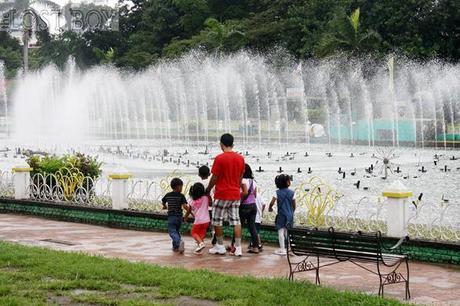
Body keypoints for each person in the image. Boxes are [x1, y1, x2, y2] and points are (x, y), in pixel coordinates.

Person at [206, 133, 245, 256]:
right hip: (235, 194)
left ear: (221, 145)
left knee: (217, 220)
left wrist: (208, 189)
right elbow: (240, 177)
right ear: (232, 144)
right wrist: (237, 188)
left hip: (222, 193)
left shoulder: (220, 158)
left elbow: (215, 177)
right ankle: (238, 248)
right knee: (236, 221)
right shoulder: (240, 158)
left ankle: (220, 246)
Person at [268, 174, 296, 256]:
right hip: (290, 214)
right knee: (288, 231)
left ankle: (282, 249)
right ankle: (289, 248)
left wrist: (270, 208)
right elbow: (294, 204)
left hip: (281, 214)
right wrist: (292, 211)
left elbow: (272, 202)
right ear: (287, 183)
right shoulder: (292, 192)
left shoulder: (277, 192)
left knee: (280, 231)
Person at [161, 178, 188, 254]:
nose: (182, 188)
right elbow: (185, 206)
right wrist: (191, 212)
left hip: (171, 217)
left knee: (172, 232)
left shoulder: (168, 195)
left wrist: (165, 206)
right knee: (176, 232)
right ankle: (176, 247)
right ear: (178, 187)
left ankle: (179, 242)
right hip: (179, 217)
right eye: (181, 186)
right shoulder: (181, 196)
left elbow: (163, 201)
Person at [184, 182, 210, 254]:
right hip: (207, 220)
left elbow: (189, 210)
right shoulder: (205, 198)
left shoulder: (192, 201)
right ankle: (200, 248)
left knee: (194, 232)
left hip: (198, 220)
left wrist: (185, 217)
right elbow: (210, 203)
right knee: (201, 233)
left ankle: (201, 244)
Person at [239, 163, 259, 254]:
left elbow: (244, 193)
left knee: (239, 226)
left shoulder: (242, 180)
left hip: (244, 205)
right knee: (252, 226)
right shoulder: (253, 181)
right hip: (253, 205)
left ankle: (234, 246)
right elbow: (255, 194)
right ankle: (255, 247)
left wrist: (238, 197)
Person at [198, 165, 216, 245]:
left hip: (203, 208)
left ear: (199, 174)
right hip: (212, 206)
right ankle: (214, 234)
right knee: (213, 224)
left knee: (202, 225)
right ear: (209, 174)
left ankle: (200, 240)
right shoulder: (213, 183)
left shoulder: (198, 184)